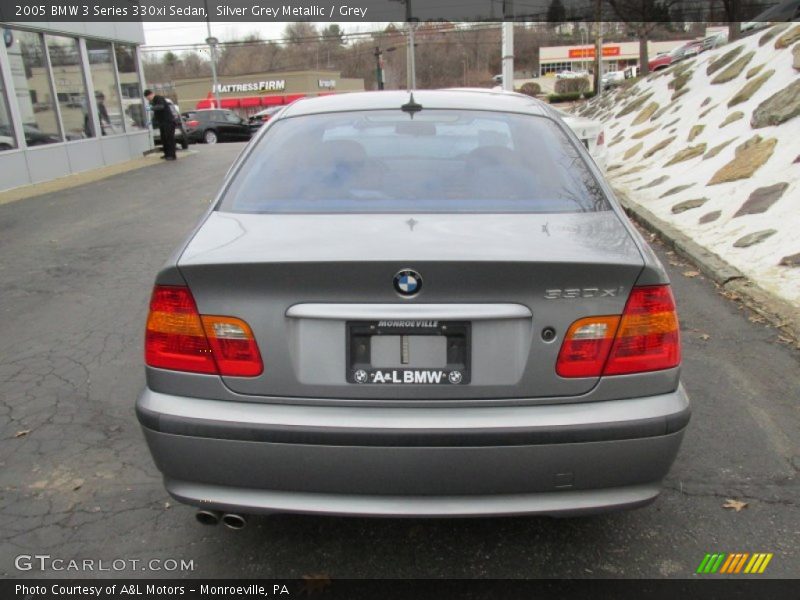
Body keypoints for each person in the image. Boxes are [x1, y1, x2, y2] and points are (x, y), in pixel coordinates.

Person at [145, 89, 176, 160]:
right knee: (164, 139)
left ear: (151, 94)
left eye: (148, 97)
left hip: (168, 122)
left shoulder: (159, 98)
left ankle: (172, 155)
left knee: (169, 139)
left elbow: (161, 107)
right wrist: (151, 122)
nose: (148, 99)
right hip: (162, 123)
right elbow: (157, 115)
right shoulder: (154, 102)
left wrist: (151, 108)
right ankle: (167, 154)